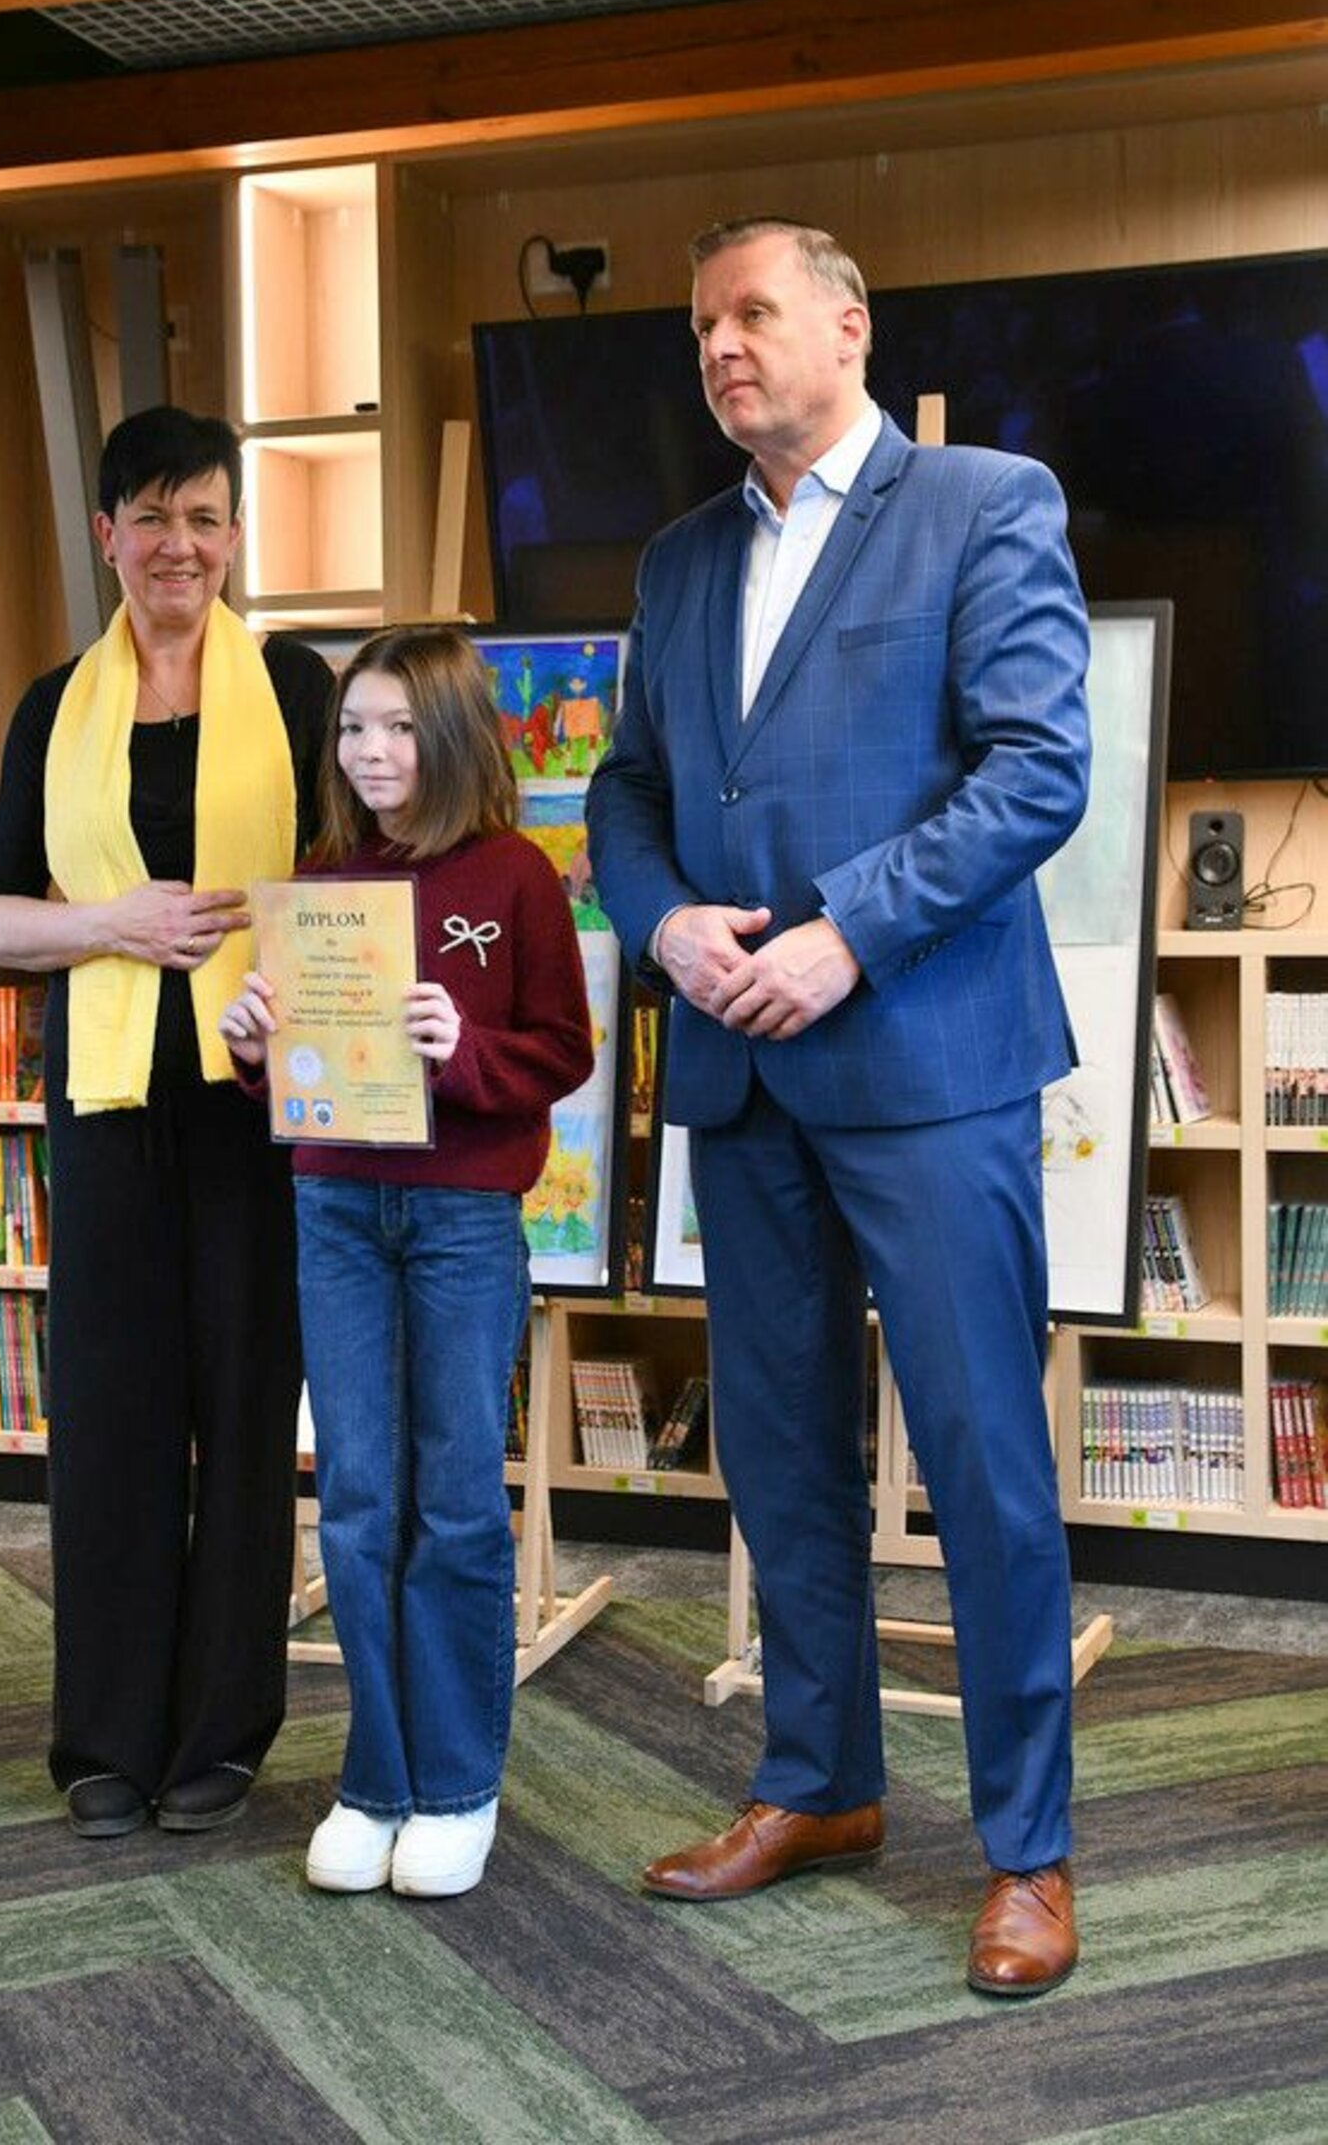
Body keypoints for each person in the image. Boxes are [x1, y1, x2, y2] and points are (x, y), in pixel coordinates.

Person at [585, 218, 1092, 1997]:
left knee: (981, 1460)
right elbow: (628, 792)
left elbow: (1040, 768)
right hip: (740, 1072)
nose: (720, 346)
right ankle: (823, 1781)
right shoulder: (676, 559)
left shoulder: (984, 502)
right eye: (699, 325)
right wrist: (660, 919)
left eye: (752, 313)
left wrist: (846, 934)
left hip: (929, 1067)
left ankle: (1028, 1850)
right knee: (779, 1451)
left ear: (850, 326)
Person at [0, 405, 334, 1840]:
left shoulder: (296, 686)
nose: (178, 544)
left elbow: (347, 880)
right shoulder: (52, 705)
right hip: (110, 1105)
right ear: (106, 534)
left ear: (235, 534)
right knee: (113, 1417)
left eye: (204, 517)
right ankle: (106, 1736)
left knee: (245, 1408)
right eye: (151, 517)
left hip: (258, 1102)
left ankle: (221, 1732)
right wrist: (110, 923)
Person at [220, 626, 592, 1898]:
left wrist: (462, 1049)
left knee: (455, 1503)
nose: (369, 752)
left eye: (396, 727)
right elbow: (294, 1072)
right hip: (333, 1208)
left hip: (459, 1219)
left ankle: (457, 1782)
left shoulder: (516, 876)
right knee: (358, 1500)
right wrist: (255, 1046)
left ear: (453, 735)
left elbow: (563, 1050)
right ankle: (374, 1779)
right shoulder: (318, 882)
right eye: (351, 728)